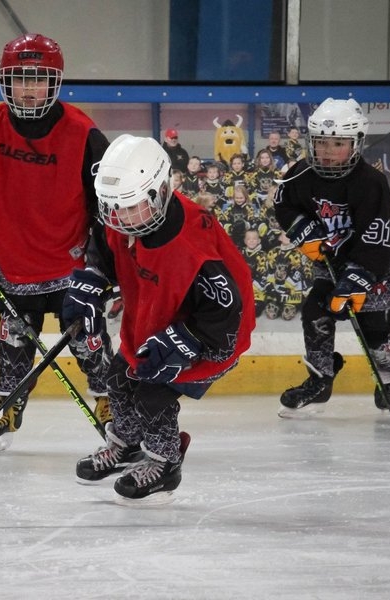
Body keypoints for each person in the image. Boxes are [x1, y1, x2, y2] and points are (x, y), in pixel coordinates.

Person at [0, 33, 114, 452]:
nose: (29, 89)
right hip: (16, 263)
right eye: (20, 79)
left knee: (89, 338)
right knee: (14, 339)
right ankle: (8, 409)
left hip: (71, 265)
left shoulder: (83, 133)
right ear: (5, 81)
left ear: (55, 82)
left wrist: (108, 263)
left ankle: (111, 402)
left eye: (39, 79)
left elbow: (108, 203)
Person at [62, 134, 255, 504]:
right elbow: (104, 253)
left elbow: (226, 308)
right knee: (118, 377)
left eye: (130, 206)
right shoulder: (125, 216)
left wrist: (185, 340)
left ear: (161, 190)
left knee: (151, 392)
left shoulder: (192, 244)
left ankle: (165, 463)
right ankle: (129, 444)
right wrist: (90, 281)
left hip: (212, 333)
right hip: (154, 315)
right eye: (112, 206)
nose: (119, 217)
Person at [274, 97, 390, 416]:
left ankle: (389, 375)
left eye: (338, 143)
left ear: (356, 144)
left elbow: (378, 235)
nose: (328, 150)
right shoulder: (300, 174)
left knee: (377, 336)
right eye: (321, 142)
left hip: (376, 269)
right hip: (330, 263)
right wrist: (302, 229)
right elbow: (283, 203)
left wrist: (359, 277)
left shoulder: (371, 183)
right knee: (314, 314)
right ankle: (321, 378)